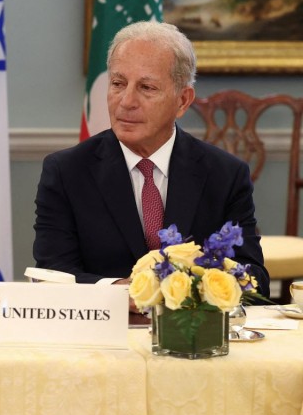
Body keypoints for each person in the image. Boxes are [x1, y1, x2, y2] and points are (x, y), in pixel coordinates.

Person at [33, 21, 270, 299]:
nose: (126, 101)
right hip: (102, 334)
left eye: (146, 87)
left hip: (189, 335)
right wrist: (121, 293)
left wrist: (185, 292)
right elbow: (52, 275)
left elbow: (252, 278)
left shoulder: (225, 175)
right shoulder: (66, 172)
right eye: (118, 84)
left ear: (182, 100)